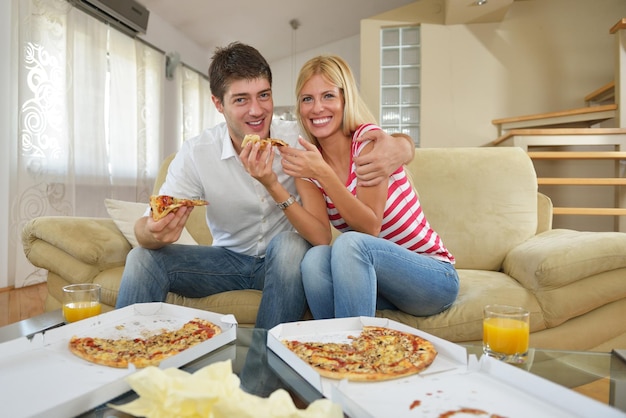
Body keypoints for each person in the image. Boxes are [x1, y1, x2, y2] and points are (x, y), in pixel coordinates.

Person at [115, 43, 415, 331]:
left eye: (264, 95)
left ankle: (264, 372)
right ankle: (120, 363)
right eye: (241, 99)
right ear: (218, 103)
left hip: (285, 263)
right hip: (225, 262)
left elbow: (353, 137)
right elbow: (147, 225)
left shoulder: (300, 137)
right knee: (142, 258)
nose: (257, 110)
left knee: (289, 245)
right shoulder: (197, 153)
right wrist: (152, 233)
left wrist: (403, 146)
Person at [276, 55, 460, 320]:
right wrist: (275, 183)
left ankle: (353, 353)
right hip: (380, 282)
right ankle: (335, 351)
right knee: (315, 260)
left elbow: (370, 228)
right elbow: (320, 238)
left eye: (328, 96)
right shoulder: (310, 164)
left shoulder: (368, 141)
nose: (316, 108)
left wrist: (324, 174)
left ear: (344, 100)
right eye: (307, 99)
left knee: (350, 244)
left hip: (432, 277)